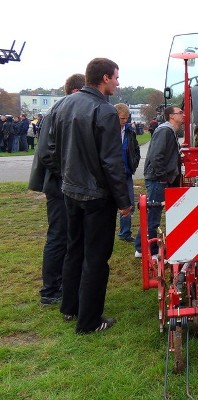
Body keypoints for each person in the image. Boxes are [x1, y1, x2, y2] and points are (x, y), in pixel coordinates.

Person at [47, 58, 132, 334]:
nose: (118, 83)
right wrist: (123, 202)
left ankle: (70, 308)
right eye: (116, 77)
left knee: (75, 250)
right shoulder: (104, 111)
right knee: (96, 258)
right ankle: (90, 321)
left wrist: (66, 180)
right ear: (105, 77)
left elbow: (54, 152)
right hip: (95, 196)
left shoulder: (63, 104)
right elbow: (111, 162)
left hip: (70, 191)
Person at [28, 74, 85, 306]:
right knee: (58, 236)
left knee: (66, 235)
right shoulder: (59, 111)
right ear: (75, 92)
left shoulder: (60, 110)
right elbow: (47, 153)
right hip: (58, 185)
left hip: (62, 183)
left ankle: (62, 283)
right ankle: (50, 290)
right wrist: (69, 175)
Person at [134, 105, 184, 258]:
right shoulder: (165, 131)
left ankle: (140, 247)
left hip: (160, 179)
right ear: (171, 116)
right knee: (153, 216)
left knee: (152, 214)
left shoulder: (170, 131)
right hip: (158, 180)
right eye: (180, 113)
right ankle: (147, 250)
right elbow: (157, 157)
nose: (183, 115)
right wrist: (163, 177)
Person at [114, 104, 141, 243]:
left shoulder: (130, 132)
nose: (124, 121)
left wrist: (134, 163)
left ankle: (125, 233)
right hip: (111, 174)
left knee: (128, 203)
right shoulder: (107, 131)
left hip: (126, 173)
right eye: (122, 118)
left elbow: (136, 149)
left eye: (126, 118)